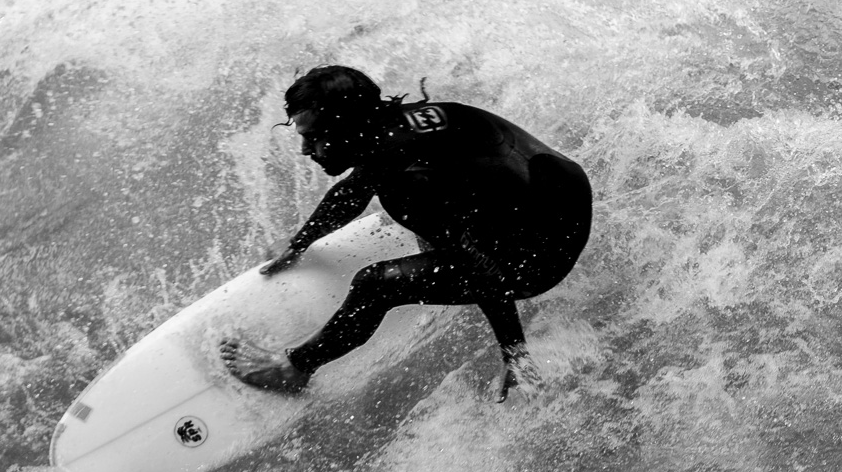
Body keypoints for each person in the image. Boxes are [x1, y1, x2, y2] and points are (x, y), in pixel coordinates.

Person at [220, 65, 592, 402]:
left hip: (544, 254)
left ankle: (294, 370)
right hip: (560, 192)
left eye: (313, 136)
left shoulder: (412, 183)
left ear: (347, 126)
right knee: (413, 208)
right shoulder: (396, 126)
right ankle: (450, 240)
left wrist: (513, 350)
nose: (305, 150)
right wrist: (301, 241)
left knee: (375, 284)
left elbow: (481, 264)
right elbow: (355, 188)